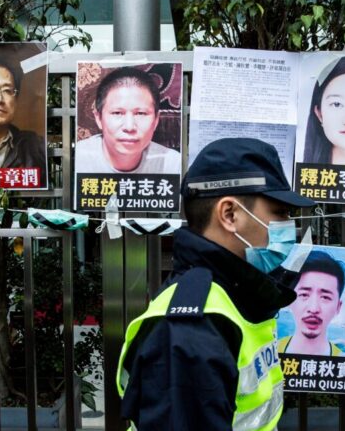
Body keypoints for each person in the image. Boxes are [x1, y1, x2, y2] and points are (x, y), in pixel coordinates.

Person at [116, 138, 315, 430]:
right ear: (230, 214)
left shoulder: (238, 295)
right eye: (280, 213)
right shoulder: (189, 330)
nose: (289, 226)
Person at [75, 67, 181, 174]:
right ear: (98, 118)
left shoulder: (171, 164)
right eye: (117, 113)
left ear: (156, 120)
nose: (129, 127)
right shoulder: (78, 158)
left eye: (141, 113)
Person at [278, 250, 345, 356]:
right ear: (289, 299)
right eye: (304, 295)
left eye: (325, 297)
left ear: (338, 306)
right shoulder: (269, 356)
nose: (314, 309)